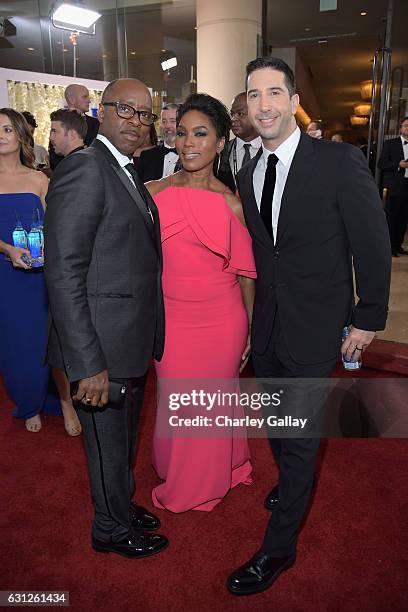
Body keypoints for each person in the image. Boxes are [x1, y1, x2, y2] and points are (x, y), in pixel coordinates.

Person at [226, 57, 391, 596]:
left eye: (275, 93)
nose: (265, 105)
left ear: (292, 99)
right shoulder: (249, 172)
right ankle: (293, 483)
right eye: (254, 95)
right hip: (270, 324)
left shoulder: (339, 161)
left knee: (297, 438)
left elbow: (372, 245)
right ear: (246, 104)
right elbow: (262, 255)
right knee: (278, 423)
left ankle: (278, 549)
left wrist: (367, 319)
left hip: (320, 327)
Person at [44, 78, 168, 558]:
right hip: (98, 348)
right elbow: (63, 273)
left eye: (145, 114)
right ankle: (110, 530)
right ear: (102, 111)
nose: (136, 122)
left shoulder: (126, 171)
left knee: (121, 441)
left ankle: (121, 503)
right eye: (126, 110)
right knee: (105, 445)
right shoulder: (85, 169)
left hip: (128, 341)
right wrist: (86, 362)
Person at [145, 93, 256, 513]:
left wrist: (248, 325)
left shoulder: (232, 204)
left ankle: (200, 483)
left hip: (221, 322)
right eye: (182, 133)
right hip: (171, 320)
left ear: (221, 142)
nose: (189, 143)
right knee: (176, 399)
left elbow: (245, 273)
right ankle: (187, 465)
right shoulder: (152, 194)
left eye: (201, 134)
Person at [0, 108, 72, 433]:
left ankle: (60, 400)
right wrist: (8, 249)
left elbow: (52, 225)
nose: (1, 136)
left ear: (19, 135)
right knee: (13, 341)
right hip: (5, 275)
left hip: (38, 275)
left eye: (6, 129)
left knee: (42, 339)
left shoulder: (39, 178)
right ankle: (29, 402)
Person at [217, 91, 262, 191]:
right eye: (232, 114)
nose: (233, 119)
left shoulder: (271, 149)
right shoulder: (222, 150)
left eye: (240, 114)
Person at [49, 83, 99, 171]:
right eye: (85, 97)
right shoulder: (57, 122)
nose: (89, 101)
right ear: (72, 100)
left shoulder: (96, 124)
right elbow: (54, 158)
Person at [378, 116, 408, 256]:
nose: (407, 128)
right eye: (406, 125)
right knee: (392, 218)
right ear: (400, 128)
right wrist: (398, 165)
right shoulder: (390, 143)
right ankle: (391, 247)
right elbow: (381, 163)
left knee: (404, 219)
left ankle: (398, 245)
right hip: (395, 186)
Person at [137, 103, 180, 181]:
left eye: (173, 121)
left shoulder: (190, 156)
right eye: (164, 121)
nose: (167, 126)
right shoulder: (146, 156)